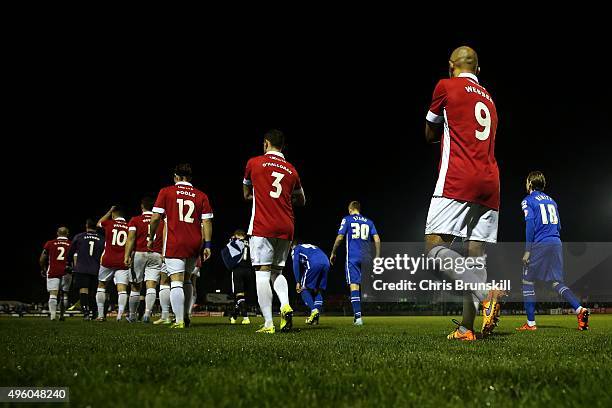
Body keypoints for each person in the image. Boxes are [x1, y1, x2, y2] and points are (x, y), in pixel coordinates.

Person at [423, 46, 504, 340]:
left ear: (450, 66)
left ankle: (486, 295)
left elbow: (430, 134)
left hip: (459, 178)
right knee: (476, 258)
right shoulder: (490, 100)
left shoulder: (446, 86)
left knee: (433, 248)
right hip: (491, 182)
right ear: (478, 70)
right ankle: (467, 328)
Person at [243, 129, 306, 333]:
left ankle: (268, 323)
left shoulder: (254, 163)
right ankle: (285, 305)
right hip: (287, 225)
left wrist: (259, 196)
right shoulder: (291, 170)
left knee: (262, 272)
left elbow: (246, 193)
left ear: (266, 143)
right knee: (277, 271)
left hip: (263, 224)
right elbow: (302, 200)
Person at [517, 171, 589, 331]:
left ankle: (530, 324)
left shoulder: (528, 200)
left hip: (540, 244)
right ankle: (580, 310)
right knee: (556, 282)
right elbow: (559, 226)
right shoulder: (552, 201)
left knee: (527, 281)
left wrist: (528, 250)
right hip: (556, 242)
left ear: (529, 183)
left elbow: (530, 225)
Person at [149, 163, 213, 329]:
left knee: (176, 281)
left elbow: (156, 218)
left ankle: (179, 321)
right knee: (187, 280)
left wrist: (151, 236)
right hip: (194, 242)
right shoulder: (201, 195)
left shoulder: (166, 191)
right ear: (190, 177)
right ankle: (186, 316)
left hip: (175, 241)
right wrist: (207, 244)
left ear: (175, 177)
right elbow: (207, 221)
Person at [330, 201, 380, 326]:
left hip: (353, 257)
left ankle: (358, 318)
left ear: (350, 209)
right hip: (367, 257)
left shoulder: (347, 219)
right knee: (366, 286)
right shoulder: (369, 222)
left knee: (354, 286)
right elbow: (377, 239)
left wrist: (333, 252)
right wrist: (377, 256)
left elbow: (340, 237)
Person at [124, 197, 165, 323]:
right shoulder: (162, 222)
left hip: (139, 253)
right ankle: (147, 314)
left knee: (135, 287)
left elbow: (131, 238)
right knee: (151, 285)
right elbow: (165, 238)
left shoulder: (135, 220)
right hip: (156, 254)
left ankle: (132, 315)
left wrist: (127, 255)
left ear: (142, 206)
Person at [96, 206, 130, 321]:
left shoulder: (109, 224)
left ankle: (101, 315)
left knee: (101, 286)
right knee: (122, 289)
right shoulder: (129, 226)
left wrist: (109, 211)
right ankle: (119, 316)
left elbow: (99, 223)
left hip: (108, 260)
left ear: (113, 215)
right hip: (123, 261)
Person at [68, 219, 104, 320]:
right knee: (93, 292)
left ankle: (86, 312)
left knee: (84, 289)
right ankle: (95, 312)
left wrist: (68, 263)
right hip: (96, 268)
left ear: (86, 225)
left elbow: (71, 251)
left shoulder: (79, 236)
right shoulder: (102, 239)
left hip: (82, 267)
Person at [291, 241, 329, 325]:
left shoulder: (296, 248)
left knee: (302, 288)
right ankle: (315, 318)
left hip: (314, 263)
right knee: (319, 290)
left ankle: (313, 310)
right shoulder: (312, 246)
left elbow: (296, 263)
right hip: (326, 262)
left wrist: (297, 281)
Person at [221, 229, 253, 325]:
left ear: (236, 235)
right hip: (249, 271)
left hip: (238, 270)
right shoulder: (251, 243)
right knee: (240, 296)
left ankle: (245, 317)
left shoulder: (235, 242)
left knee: (239, 295)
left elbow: (225, 251)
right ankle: (234, 316)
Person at [40, 227, 71, 321]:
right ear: (67, 233)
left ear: (57, 233)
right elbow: (75, 258)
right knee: (64, 294)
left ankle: (53, 316)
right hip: (67, 271)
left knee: (53, 293)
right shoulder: (71, 244)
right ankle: (62, 315)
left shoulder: (50, 243)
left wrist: (43, 269)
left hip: (53, 270)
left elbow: (42, 258)